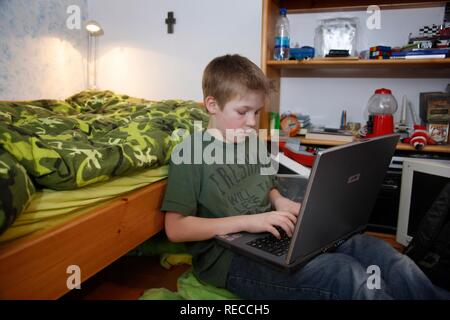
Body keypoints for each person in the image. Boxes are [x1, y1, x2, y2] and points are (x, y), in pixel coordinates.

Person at [161, 54, 450, 300]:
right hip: (229, 261)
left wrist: (280, 201)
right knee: (345, 274)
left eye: (257, 112)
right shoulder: (190, 153)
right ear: (212, 105)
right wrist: (249, 221)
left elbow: (267, 185)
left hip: (270, 233)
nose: (252, 122)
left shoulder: (252, 139)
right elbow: (176, 228)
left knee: (377, 251)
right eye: (243, 111)